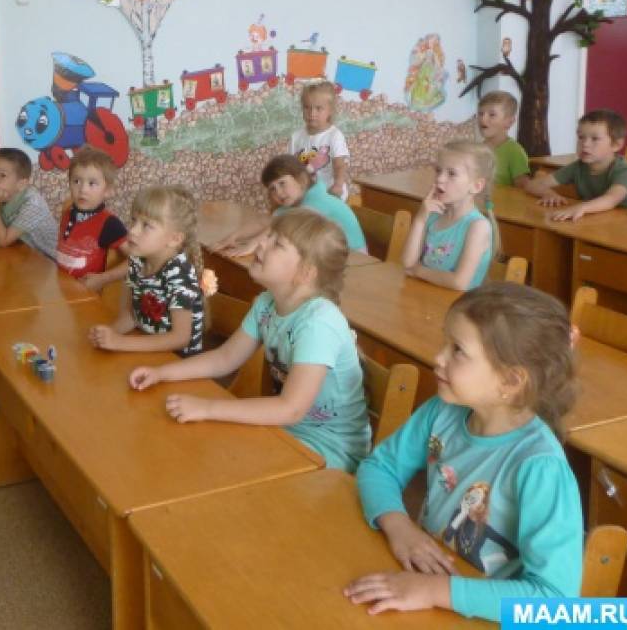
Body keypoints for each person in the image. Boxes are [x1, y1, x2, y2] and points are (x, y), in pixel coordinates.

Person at [343, 283, 582, 621]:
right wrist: (398, 525)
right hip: (427, 591)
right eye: (445, 342)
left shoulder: (541, 468)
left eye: (457, 350)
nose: (438, 357)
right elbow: (379, 467)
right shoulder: (441, 411)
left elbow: (554, 601)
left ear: (511, 381)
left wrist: (434, 591)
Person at [130, 208, 369, 470]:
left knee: (216, 460)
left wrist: (208, 408)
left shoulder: (318, 323)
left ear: (306, 273)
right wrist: (161, 373)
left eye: (277, 244)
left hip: (329, 449)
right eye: (269, 236)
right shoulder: (267, 303)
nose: (262, 243)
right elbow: (225, 358)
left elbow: (291, 409)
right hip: (285, 429)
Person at [86, 185, 205, 355]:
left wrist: (120, 342)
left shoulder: (180, 275)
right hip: (147, 351)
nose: (132, 230)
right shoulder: (137, 261)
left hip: (178, 362)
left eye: (147, 225)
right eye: (134, 220)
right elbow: (132, 316)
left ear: (174, 239)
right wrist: (108, 334)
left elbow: (180, 338)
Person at [216, 154, 367, 255]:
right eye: (272, 189)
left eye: (282, 183)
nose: (278, 192)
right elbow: (266, 222)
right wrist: (234, 236)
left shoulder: (318, 200)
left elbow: (284, 226)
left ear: (301, 179)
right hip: (329, 257)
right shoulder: (292, 204)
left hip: (355, 259)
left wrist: (255, 243)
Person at [402, 141, 496, 290]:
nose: (440, 178)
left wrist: (418, 271)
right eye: (438, 170)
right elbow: (407, 262)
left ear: (476, 186)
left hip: (459, 303)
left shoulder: (478, 227)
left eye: (451, 173)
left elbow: (459, 282)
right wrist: (420, 219)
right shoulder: (433, 215)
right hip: (425, 296)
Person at [524, 108, 627, 221]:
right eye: (581, 137)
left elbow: (611, 199)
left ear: (616, 145)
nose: (585, 144)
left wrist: (581, 207)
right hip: (594, 220)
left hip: (624, 226)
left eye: (595, 139)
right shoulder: (578, 167)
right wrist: (548, 194)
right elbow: (532, 184)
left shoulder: (624, 172)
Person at [54, 147, 128, 292]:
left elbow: (137, 260)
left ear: (108, 191)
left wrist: (103, 278)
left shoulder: (110, 224)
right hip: (62, 289)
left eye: (92, 183)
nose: (83, 190)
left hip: (87, 296)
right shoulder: (67, 212)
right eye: (76, 181)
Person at [0, 147, 57, 257]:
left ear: (21, 184)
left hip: (49, 261)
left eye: (2, 175)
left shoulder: (33, 204)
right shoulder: (0, 196)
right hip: (23, 254)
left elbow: (3, 241)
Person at [290, 81, 350, 199]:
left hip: (331, 194)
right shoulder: (296, 137)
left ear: (330, 110)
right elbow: (291, 168)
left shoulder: (334, 136)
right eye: (307, 107)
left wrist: (338, 185)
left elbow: (340, 165)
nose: (312, 113)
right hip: (307, 195)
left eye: (319, 108)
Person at [476, 91, 531, 189]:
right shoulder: (477, 148)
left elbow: (522, 186)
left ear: (509, 122)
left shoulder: (515, 151)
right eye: (481, 114)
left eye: (492, 115)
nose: (483, 119)